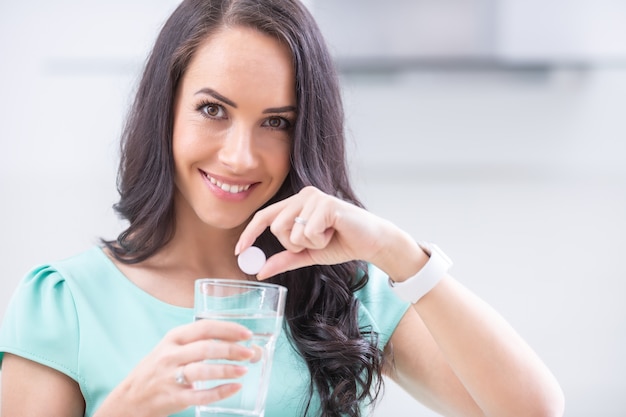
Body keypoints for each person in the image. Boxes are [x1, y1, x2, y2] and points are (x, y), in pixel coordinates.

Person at [0, 0, 565, 416]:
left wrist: (393, 249)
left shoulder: (346, 292)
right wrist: (127, 409)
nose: (240, 155)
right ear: (164, 110)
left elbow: (532, 410)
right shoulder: (65, 304)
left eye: (277, 122)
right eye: (212, 110)